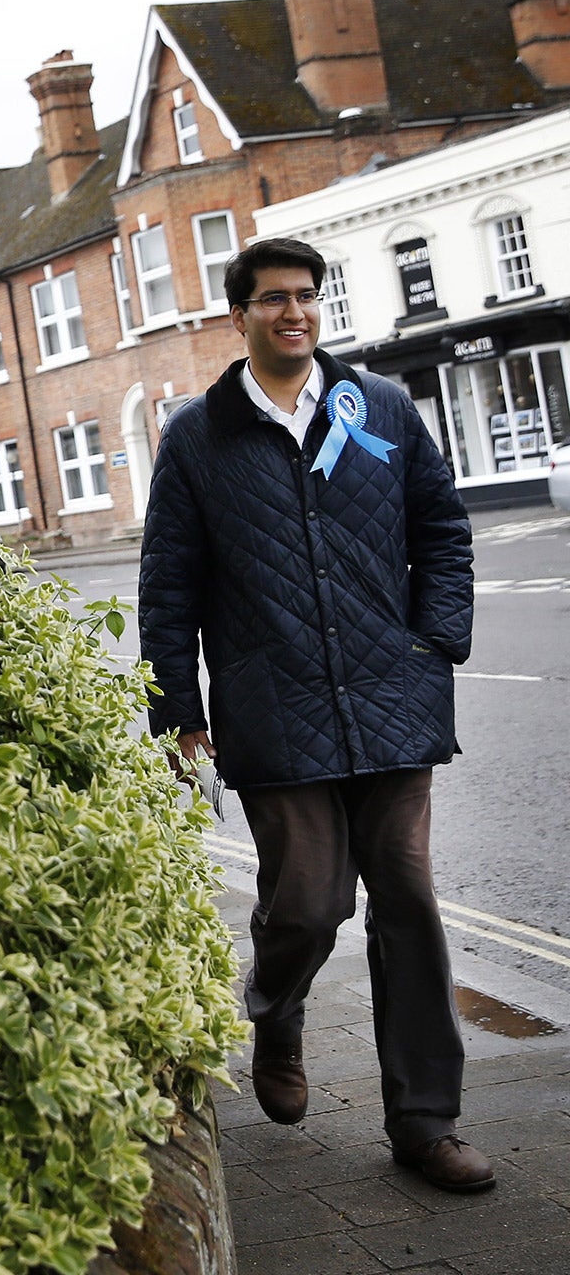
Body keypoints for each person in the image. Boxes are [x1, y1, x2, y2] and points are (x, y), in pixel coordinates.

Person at [139, 237, 486, 1193]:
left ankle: (425, 1121)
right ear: (239, 316)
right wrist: (179, 708)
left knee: (408, 900)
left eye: (307, 297)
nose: (295, 312)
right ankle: (276, 1010)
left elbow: (443, 528)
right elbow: (169, 584)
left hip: (391, 695)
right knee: (310, 901)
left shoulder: (374, 407)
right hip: (274, 704)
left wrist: (436, 640)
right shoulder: (198, 436)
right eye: (274, 299)